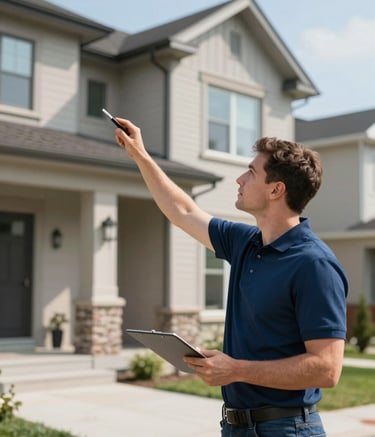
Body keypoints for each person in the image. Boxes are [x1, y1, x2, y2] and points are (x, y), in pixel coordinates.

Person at [115, 119, 348, 437]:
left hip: (287, 429)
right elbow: (182, 211)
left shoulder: (314, 264)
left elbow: (327, 368)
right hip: (237, 426)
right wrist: (140, 155)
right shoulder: (245, 243)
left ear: (276, 190)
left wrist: (235, 369)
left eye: (251, 172)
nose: (239, 179)